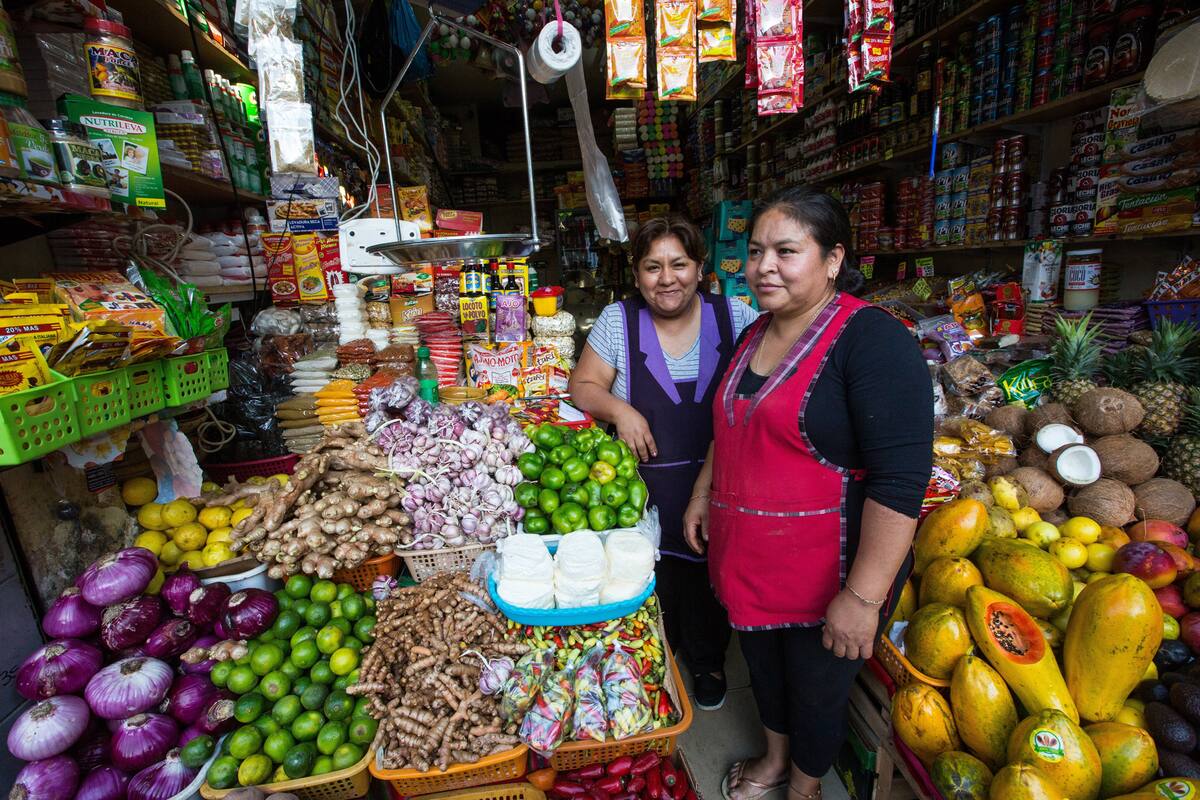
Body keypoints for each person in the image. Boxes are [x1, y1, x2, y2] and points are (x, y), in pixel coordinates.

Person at [682, 187, 933, 800]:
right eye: (756, 250)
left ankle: (803, 788)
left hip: (833, 565)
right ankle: (773, 760)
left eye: (786, 251)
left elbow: (902, 481)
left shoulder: (873, 341)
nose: (763, 266)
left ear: (832, 259)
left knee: (817, 686)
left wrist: (864, 597)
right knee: (764, 665)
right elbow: (729, 421)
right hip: (754, 554)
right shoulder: (754, 334)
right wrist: (700, 493)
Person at [569, 216, 759, 711]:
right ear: (636, 275)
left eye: (679, 264)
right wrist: (621, 410)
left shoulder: (735, 315)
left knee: (713, 577)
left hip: (722, 481)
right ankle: (660, 660)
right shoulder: (619, 320)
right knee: (658, 581)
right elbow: (583, 386)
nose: (666, 278)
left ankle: (709, 662)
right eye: (653, 267)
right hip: (645, 486)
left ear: (701, 269)